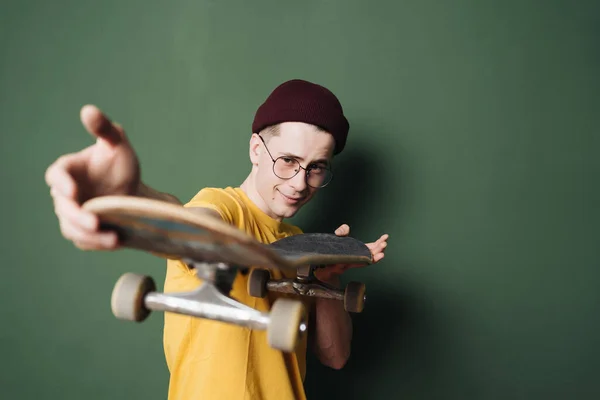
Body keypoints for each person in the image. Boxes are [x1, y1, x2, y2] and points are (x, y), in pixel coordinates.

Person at [45, 79, 388, 400]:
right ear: (256, 149)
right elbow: (193, 227)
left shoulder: (300, 244)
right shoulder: (220, 207)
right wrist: (132, 196)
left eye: (316, 168)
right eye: (288, 160)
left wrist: (326, 280)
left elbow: (336, 357)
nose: (300, 183)